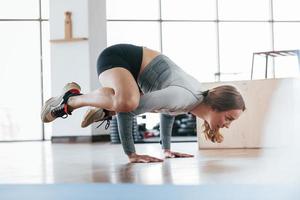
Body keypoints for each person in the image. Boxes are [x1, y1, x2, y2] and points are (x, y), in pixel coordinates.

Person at [41, 43, 246, 163]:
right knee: (128, 103)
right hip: (118, 58)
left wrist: (166, 148)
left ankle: (105, 109)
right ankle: (72, 98)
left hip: (134, 75)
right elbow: (128, 112)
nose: (227, 125)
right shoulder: (184, 97)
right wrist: (132, 153)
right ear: (216, 106)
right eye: (229, 118)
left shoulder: (192, 100)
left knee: (128, 102)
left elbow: (169, 112)